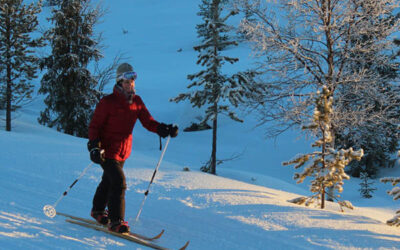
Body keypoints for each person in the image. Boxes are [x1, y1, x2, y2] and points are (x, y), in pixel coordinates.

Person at [87, 63, 178, 233]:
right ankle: (116, 221)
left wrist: (164, 129)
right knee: (119, 182)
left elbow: (148, 121)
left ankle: (98, 210)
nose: (131, 85)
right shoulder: (108, 102)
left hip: (123, 151)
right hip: (106, 150)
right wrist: (93, 146)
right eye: (127, 82)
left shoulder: (136, 101)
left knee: (108, 180)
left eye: (133, 82)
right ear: (120, 82)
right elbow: (94, 126)